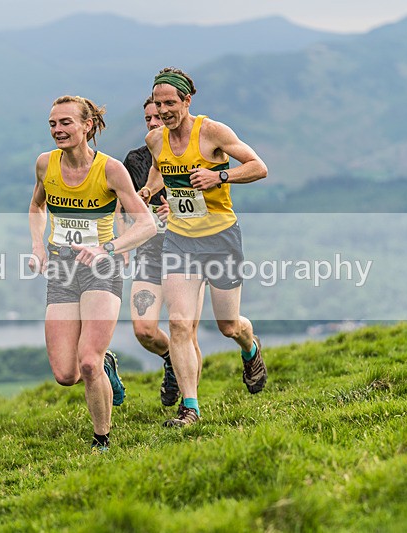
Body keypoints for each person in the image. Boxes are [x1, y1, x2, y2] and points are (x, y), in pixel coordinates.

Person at [141, 67, 269, 427]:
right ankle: (191, 408)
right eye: (157, 103)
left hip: (221, 238)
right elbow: (158, 169)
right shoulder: (156, 139)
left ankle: (251, 348)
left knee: (229, 325)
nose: (164, 110)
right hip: (180, 240)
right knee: (180, 323)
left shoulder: (211, 131)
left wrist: (219, 176)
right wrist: (149, 191)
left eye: (170, 102)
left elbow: (259, 167)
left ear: (187, 100)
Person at [28, 95, 155, 451]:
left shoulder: (111, 169)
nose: (57, 130)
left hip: (102, 266)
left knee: (87, 362)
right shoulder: (45, 165)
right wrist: (38, 246)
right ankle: (106, 364)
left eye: (66, 122)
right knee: (65, 374)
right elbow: (36, 206)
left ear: (87, 126)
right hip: (62, 269)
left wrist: (109, 247)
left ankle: (102, 440)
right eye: (53, 123)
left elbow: (146, 224)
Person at [118, 96, 205, 407]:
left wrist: (181, 212)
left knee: (185, 330)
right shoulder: (135, 160)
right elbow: (121, 205)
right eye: (148, 119)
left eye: (158, 116)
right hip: (150, 254)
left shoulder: (196, 153)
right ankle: (170, 358)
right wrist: (123, 241)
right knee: (144, 329)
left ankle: (189, 404)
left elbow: (213, 208)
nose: (154, 123)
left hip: (189, 251)